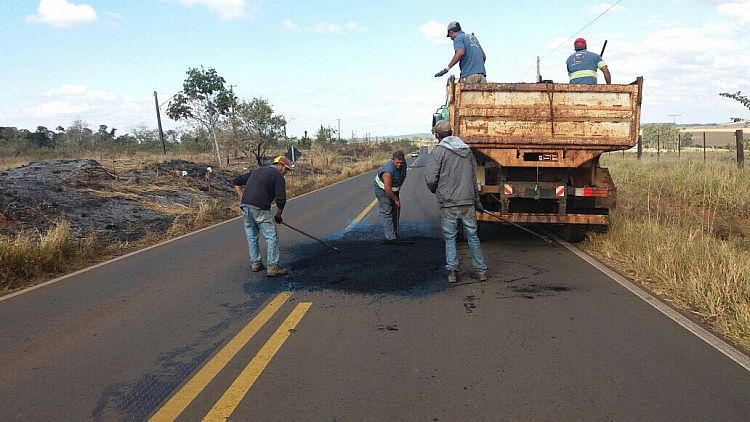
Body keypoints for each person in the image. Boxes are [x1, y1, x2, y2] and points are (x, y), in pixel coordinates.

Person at [424, 120, 488, 284]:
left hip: (449, 202)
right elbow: (473, 179)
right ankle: (481, 271)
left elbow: (430, 178)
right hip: (467, 201)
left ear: (438, 135)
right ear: (451, 132)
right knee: (473, 236)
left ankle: (452, 272)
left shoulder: (439, 152)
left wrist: (436, 190)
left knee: (450, 238)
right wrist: (477, 201)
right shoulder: (467, 151)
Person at [232, 155, 292, 277]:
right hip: (260, 207)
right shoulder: (278, 176)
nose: (286, 172)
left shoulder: (257, 171)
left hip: (245, 207)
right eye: (286, 169)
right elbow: (281, 199)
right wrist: (279, 215)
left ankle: (256, 263)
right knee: (271, 236)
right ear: (280, 165)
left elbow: (236, 182)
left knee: (252, 236)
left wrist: (242, 198)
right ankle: (272, 268)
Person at [374, 151, 408, 243]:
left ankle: (396, 234)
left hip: (394, 190)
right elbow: (387, 189)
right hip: (382, 190)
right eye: (397, 163)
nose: (399, 165)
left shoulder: (404, 165)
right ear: (392, 160)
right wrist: (396, 199)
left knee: (396, 209)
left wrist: (396, 198)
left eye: (401, 163)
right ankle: (391, 238)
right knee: (387, 211)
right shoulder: (388, 171)